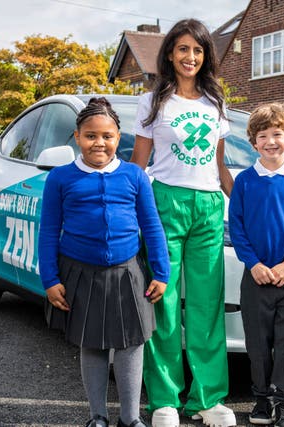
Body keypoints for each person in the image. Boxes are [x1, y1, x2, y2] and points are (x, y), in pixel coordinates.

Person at [38, 97, 170, 427]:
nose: (100, 143)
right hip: (80, 272)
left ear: (117, 137)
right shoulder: (60, 178)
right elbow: (49, 230)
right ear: (77, 137)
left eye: (107, 136)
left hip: (128, 272)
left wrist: (162, 271)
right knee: (93, 344)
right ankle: (97, 416)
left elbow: (152, 226)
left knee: (130, 344)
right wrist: (50, 279)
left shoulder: (134, 177)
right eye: (91, 136)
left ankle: (130, 417)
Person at [131, 18, 236, 427]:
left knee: (208, 305)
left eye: (198, 50)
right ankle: (165, 400)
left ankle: (208, 399)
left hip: (209, 204)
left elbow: (221, 165)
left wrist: (241, 206)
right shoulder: (153, 101)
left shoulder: (215, 100)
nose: (190, 57)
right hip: (165, 203)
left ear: (206, 55)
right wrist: (131, 216)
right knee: (165, 302)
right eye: (183, 49)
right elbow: (138, 167)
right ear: (170, 54)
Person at [228, 103, 284, 427]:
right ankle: (262, 399)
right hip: (255, 277)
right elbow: (236, 227)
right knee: (258, 343)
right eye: (263, 135)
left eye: (277, 134)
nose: (270, 141)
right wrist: (252, 263)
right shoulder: (245, 182)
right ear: (253, 142)